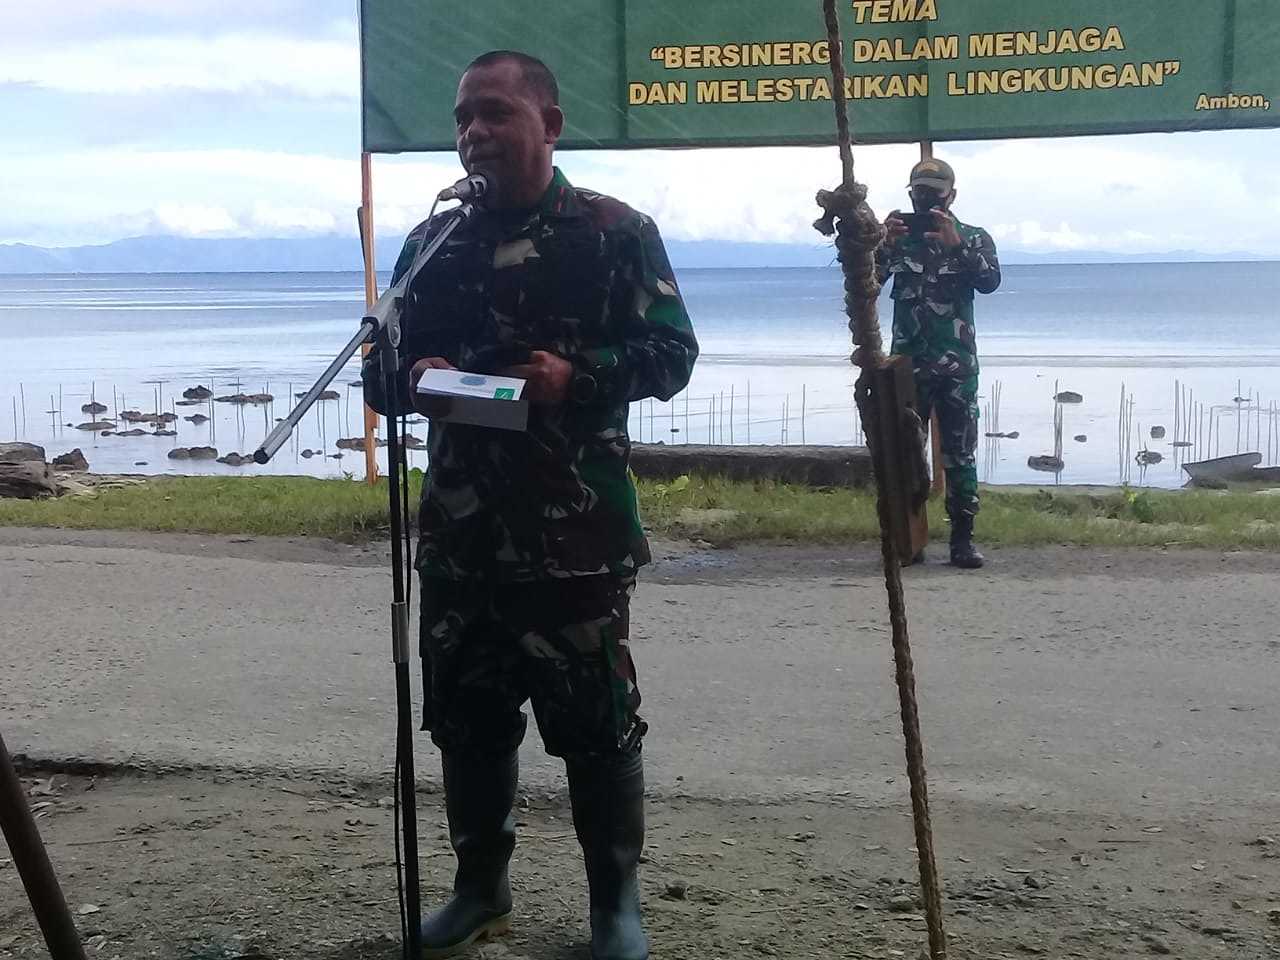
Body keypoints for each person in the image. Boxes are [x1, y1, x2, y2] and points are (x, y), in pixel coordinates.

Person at [363, 50, 697, 960]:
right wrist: (412, 376)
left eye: (496, 113)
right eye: (465, 116)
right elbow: (378, 372)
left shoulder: (613, 232)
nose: (473, 131)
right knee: (467, 720)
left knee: (594, 724)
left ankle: (615, 907)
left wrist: (573, 377)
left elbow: (672, 358)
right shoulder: (433, 243)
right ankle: (481, 891)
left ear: (549, 124)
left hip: (574, 534)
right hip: (463, 536)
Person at [878, 157, 1000, 568]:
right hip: (907, 369)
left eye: (935, 192)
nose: (926, 198)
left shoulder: (974, 237)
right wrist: (882, 246)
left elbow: (990, 282)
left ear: (952, 195)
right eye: (919, 192)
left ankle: (962, 540)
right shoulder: (897, 239)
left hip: (956, 368)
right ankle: (907, 537)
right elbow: (865, 284)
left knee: (960, 454)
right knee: (904, 454)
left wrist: (957, 247)